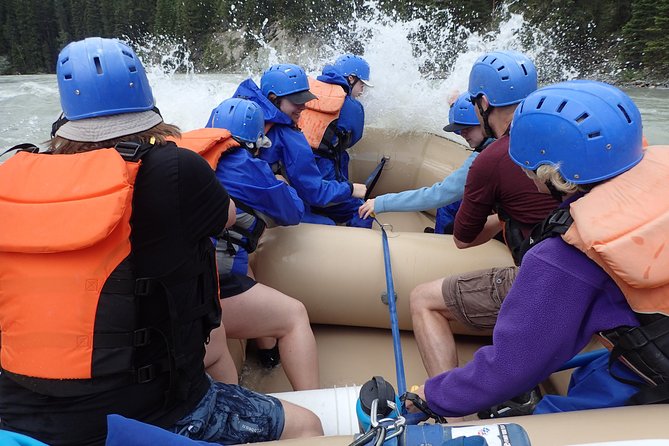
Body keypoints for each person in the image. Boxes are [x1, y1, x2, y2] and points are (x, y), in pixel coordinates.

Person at [0, 37, 322, 446]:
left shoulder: (13, 177)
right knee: (307, 426)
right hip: (148, 412)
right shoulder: (175, 168)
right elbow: (225, 217)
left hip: (20, 414)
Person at [407, 79, 666, 417]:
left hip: (653, 376)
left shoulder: (566, 255)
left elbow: (510, 368)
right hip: (654, 340)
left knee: (548, 418)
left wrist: (430, 395)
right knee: (589, 373)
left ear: (551, 172)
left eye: (526, 163)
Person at [409, 51, 561, 378]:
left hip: (548, 281)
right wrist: (503, 219)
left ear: (484, 102)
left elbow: (463, 240)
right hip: (586, 266)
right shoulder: (563, 136)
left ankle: (449, 413)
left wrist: (497, 220)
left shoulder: (489, 160)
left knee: (422, 300)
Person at [171, 98, 319, 390]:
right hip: (208, 284)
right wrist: (281, 183)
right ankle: (316, 404)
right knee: (294, 315)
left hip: (176, 280)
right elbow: (293, 213)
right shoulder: (247, 167)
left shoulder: (181, 157)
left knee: (248, 270)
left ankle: (267, 354)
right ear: (254, 141)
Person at [233, 63, 367, 225]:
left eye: (305, 100)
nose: (304, 107)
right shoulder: (289, 136)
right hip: (254, 209)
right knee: (335, 222)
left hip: (235, 198)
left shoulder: (237, 110)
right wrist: (351, 189)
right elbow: (315, 192)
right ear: (273, 98)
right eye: (297, 101)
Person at [358, 92, 494, 234]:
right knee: (451, 205)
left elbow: (438, 195)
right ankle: (439, 236)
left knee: (449, 208)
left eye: (467, 128)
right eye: (459, 130)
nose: (463, 134)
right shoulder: (498, 137)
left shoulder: (485, 158)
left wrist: (381, 203)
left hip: (504, 223)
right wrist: (455, 104)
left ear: (482, 119)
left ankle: (440, 245)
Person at [299, 54, 373, 228]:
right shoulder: (353, 107)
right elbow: (354, 138)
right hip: (324, 179)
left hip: (300, 180)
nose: (362, 90)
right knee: (364, 211)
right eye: (362, 84)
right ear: (351, 79)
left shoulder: (305, 93)